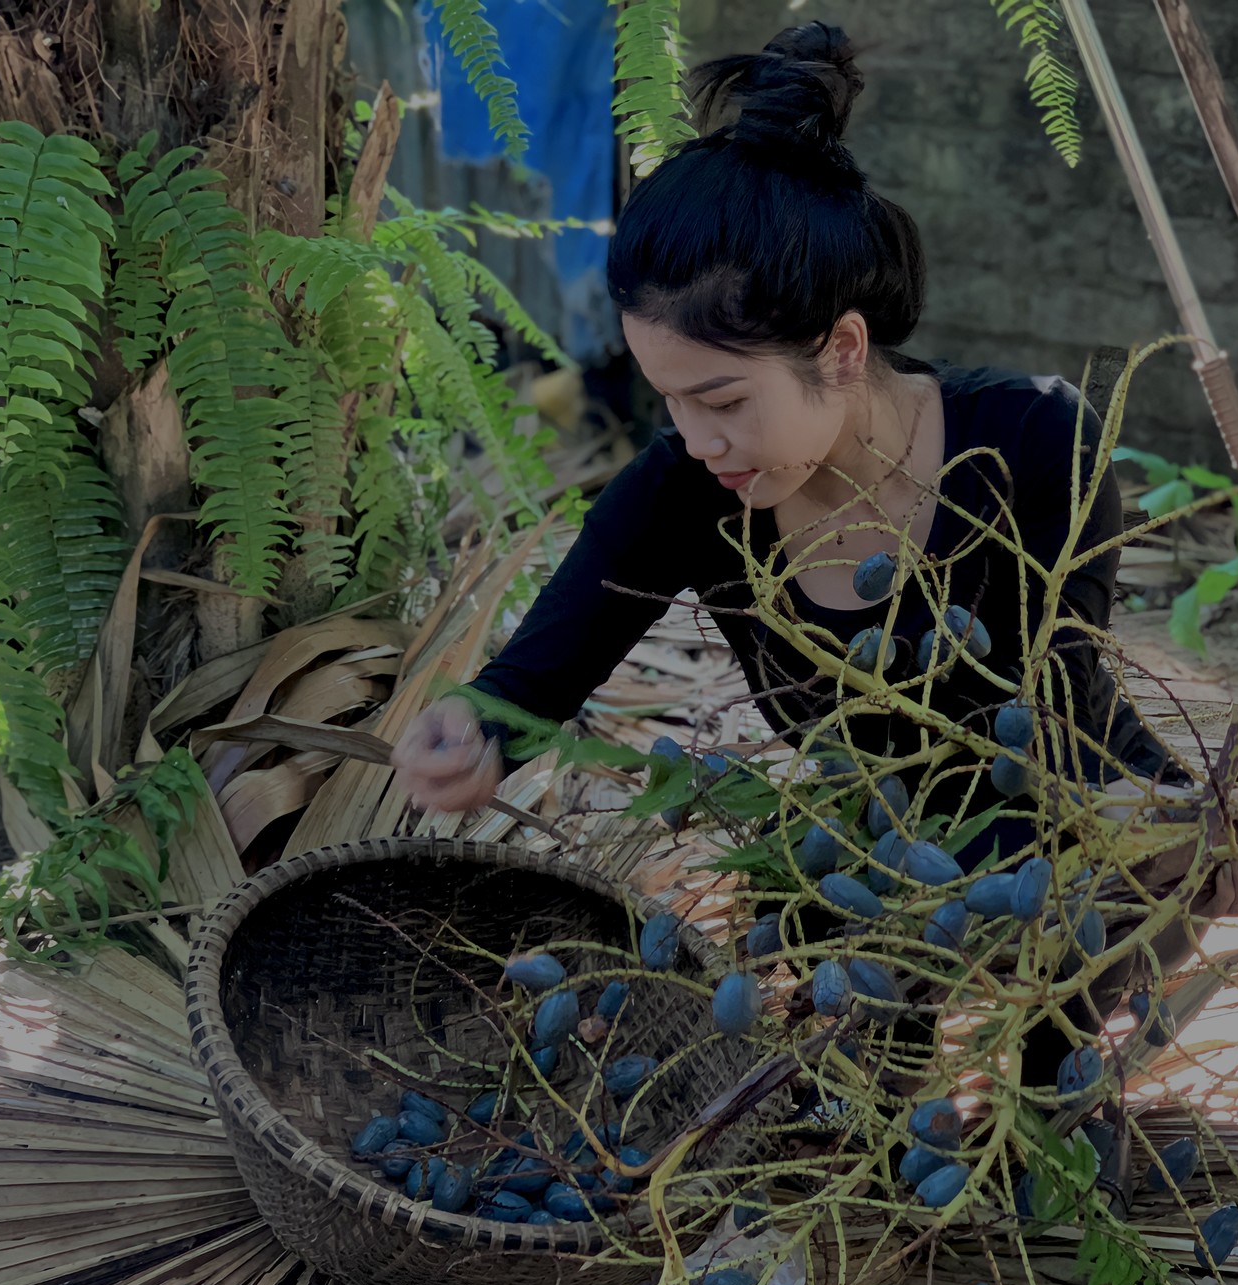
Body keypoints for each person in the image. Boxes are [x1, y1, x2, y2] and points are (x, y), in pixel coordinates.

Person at [396, 23, 1183, 857]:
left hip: (1099, 837)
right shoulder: (684, 493)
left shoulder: (1034, 443)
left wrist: (1171, 842)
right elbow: (526, 689)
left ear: (841, 350)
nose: (698, 440)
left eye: (724, 400)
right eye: (670, 402)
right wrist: (467, 731)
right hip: (869, 858)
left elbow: (1054, 729)